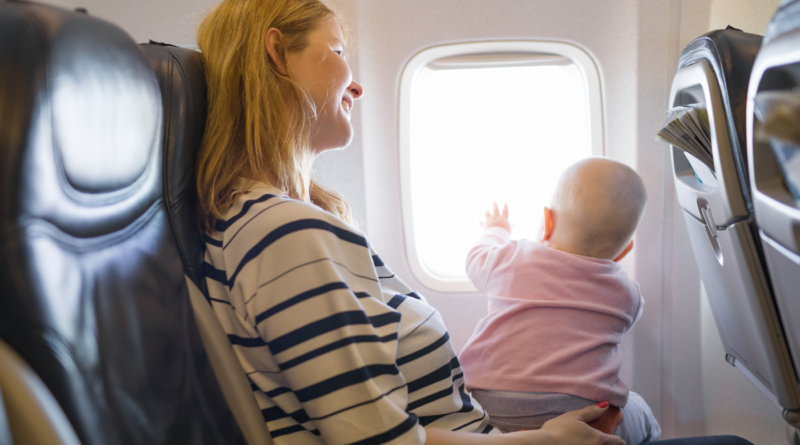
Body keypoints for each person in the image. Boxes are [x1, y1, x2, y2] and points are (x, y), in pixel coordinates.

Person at [193, 1, 753, 444]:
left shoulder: (267, 222)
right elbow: (376, 440)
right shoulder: (286, 234)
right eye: (337, 50)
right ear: (276, 54)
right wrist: (543, 441)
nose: (358, 85)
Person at [460, 158, 660, 444]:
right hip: (586, 417)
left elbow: (475, 258)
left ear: (548, 221)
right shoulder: (629, 295)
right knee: (640, 410)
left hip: (490, 407)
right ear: (624, 251)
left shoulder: (511, 257)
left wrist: (497, 229)